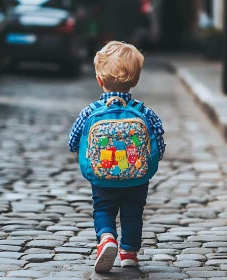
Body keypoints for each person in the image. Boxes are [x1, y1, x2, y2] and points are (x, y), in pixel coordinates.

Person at [68, 41, 165, 273]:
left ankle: (107, 239)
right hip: (137, 176)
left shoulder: (90, 112)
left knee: (103, 208)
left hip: (103, 176)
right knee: (133, 212)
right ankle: (129, 253)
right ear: (135, 80)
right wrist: (152, 159)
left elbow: (72, 142)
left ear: (99, 80)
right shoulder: (144, 112)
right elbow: (158, 141)